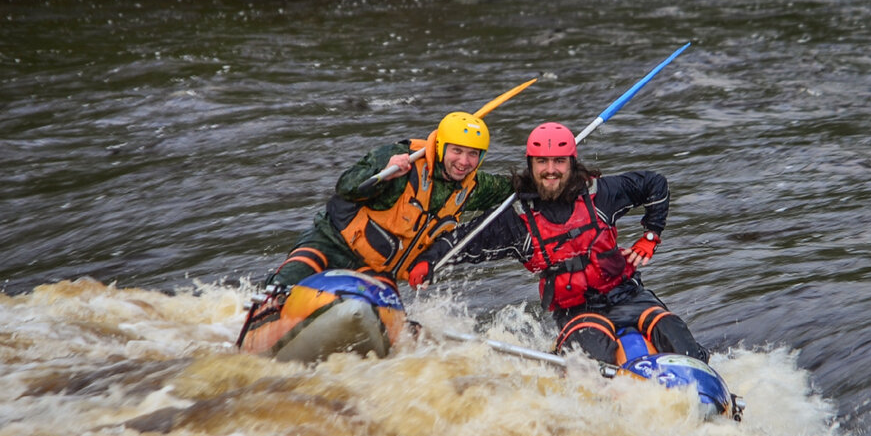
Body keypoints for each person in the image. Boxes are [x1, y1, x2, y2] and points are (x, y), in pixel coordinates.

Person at [407, 121, 709, 365]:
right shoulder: (515, 219)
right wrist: (428, 260)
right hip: (577, 312)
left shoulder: (601, 193)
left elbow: (655, 184)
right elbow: (463, 241)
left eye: (559, 161)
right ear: (531, 164)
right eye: (542, 162)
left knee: (676, 335)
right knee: (597, 366)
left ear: (571, 163)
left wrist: (651, 236)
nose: (551, 169)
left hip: (630, 296)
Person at [263, 110, 513, 289]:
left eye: (472, 155)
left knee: (387, 321)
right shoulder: (399, 157)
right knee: (283, 286)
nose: (463, 162)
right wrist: (383, 173)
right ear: (441, 147)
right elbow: (346, 186)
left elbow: (514, 186)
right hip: (331, 245)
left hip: (376, 272)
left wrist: (547, 173)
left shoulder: (473, 187)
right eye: (457, 151)